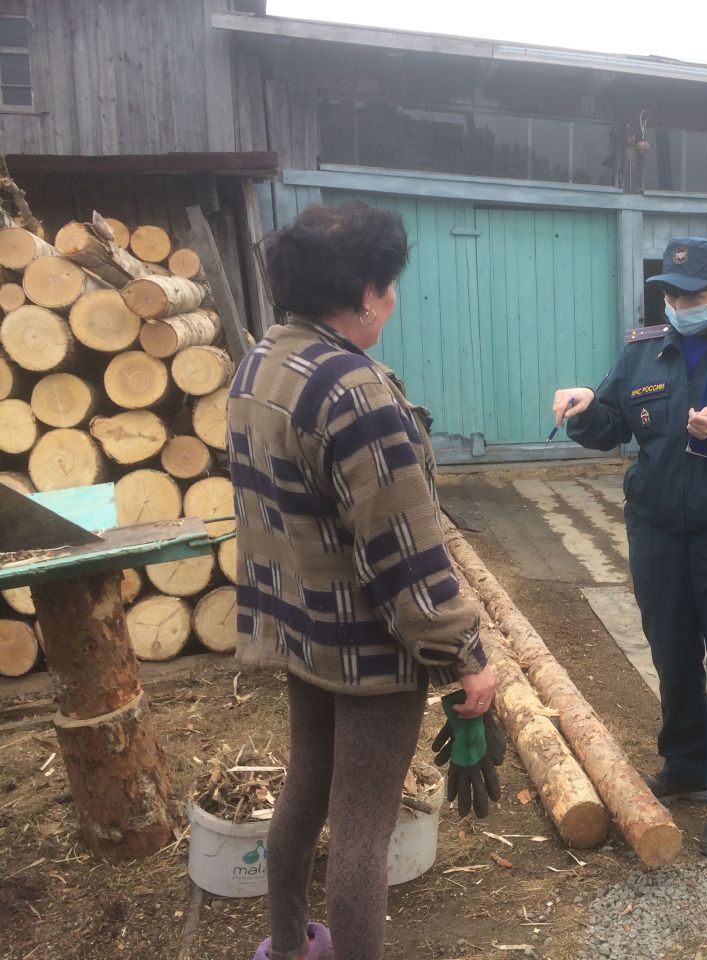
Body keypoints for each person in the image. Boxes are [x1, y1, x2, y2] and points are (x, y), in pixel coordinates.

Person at [228, 201, 497, 960]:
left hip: (301, 629)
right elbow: (404, 554)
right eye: (391, 284)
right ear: (367, 295)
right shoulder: (353, 392)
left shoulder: (262, 363)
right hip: (368, 648)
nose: (394, 298)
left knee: (306, 786)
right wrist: (466, 657)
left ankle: (288, 946)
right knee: (361, 829)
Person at [552, 237, 707, 858]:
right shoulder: (643, 351)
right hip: (658, 530)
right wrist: (583, 410)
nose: (678, 304)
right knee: (671, 653)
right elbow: (612, 425)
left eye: (692, 295)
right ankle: (688, 765)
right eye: (670, 292)